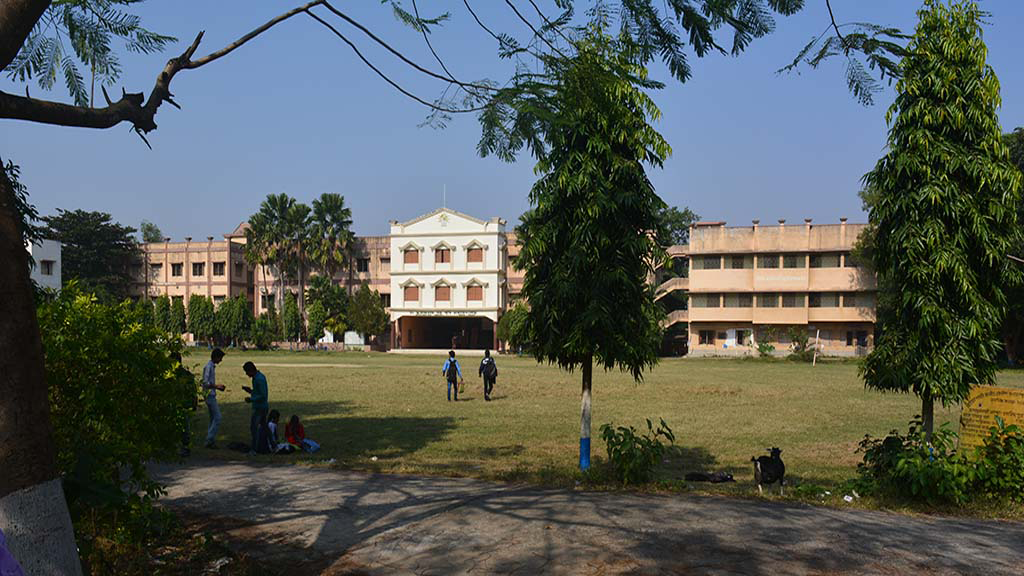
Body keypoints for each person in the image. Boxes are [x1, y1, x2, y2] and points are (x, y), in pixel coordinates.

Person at [171, 351, 198, 456]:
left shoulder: (175, 375)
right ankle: (183, 446)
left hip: (180, 404)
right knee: (183, 427)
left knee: (183, 427)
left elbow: (192, 391)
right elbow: (193, 391)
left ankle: (183, 447)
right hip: (182, 404)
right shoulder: (186, 375)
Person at [242, 361, 269, 455]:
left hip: (260, 408)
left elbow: (263, 395)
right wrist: (250, 391)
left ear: (251, 370)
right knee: (264, 428)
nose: (246, 374)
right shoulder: (257, 377)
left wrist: (251, 399)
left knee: (254, 428)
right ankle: (271, 445)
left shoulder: (259, 379)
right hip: (261, 407)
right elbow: (258, 392)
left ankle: (254, 449)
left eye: (247, 372)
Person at [202, 348, 226, 449]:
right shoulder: (209, 367)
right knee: (218, 417)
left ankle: (210, 439)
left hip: (210, 394)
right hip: (209, 395)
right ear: (216, 357)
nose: (221, 360)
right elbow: (205, 382)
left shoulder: (211, 366)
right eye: (220, 358)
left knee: (212, 418)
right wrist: (217, 386)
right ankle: (209, 439)